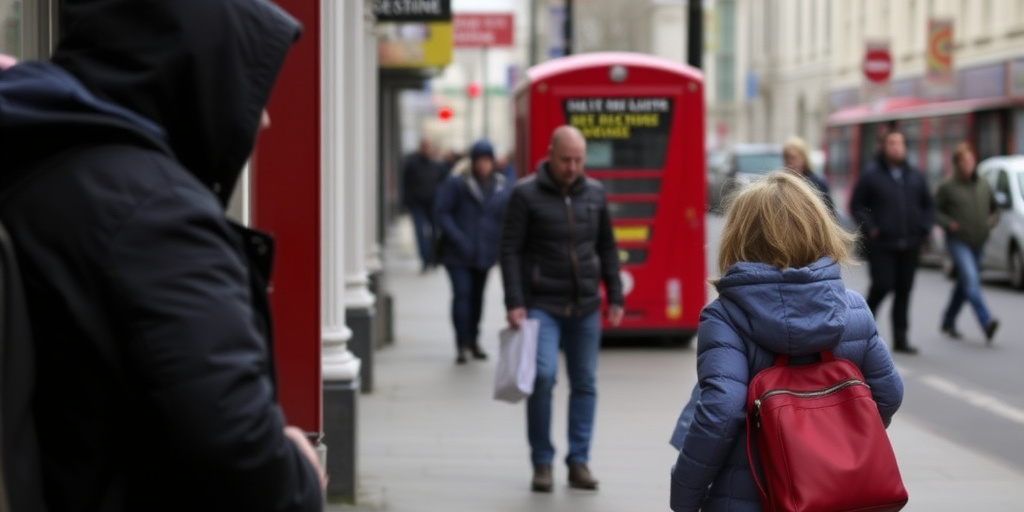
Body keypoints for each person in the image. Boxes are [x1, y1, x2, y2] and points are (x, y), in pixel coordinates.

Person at [0, 1, 325, 511]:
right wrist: (300, 474)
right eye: (251, 88)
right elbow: (235, 449)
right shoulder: (155, 215)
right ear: (197, 75)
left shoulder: (37, 154)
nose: (262, 120)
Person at [669, 171, 904, 512]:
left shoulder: (726, 317)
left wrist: (684, 498)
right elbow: (890, 394)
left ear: (740, 237)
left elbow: (720, 412)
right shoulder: (853, 309)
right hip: (833, 497)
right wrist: (831, 442)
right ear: (819, 227)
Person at [500, 125, 624, 493]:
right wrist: (514, 302)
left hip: (585, 304)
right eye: (565, 159)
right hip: (542, 304)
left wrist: (615, 295)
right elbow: (509, 250)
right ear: (550, 155)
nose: (572, 167)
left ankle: (578, 461)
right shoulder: (525, 194)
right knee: (542, 376)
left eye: (578, 160)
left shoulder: (595, 193)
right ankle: (542, 461)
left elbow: (606, 247)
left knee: (585, 382)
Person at [849, 129, 935, 354]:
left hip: (910, 243)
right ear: (884, 147)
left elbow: (928, 205)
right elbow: (857, 205)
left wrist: (924, 228)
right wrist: (872, 229)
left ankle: (901, 338)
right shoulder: (871, 174)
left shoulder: (915, 175)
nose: (897, 147)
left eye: (900, 143)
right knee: (883, 285)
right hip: (883, 244)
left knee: (904, 290)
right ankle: (862, 327)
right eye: (892, 143)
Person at [434, 139, 510, 364]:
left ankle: (474, 340)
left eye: (488, 160)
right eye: (480, 160)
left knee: (477, 298)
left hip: (485, 253)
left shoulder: (501, 186)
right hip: (457, 254)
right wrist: (457, 237)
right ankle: (462, 343)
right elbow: (441, 213)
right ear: (473, 161)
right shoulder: (456, 183)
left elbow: (505, 218)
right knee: (462, 295)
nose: (484, 165)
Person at [935, 142, 1000, 344]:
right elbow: (935, 211)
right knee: (971, 278)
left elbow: (995, 209)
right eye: (963, 161)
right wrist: (949, 224)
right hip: (958, 240)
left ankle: (948, 320)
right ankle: (986, 321)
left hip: (979, 240)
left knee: (964, 283)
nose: (968, 164)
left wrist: (991, 221)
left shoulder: (983, 184)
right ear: (957, 164)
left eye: (971, 160)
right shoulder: (947, 186)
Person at [402, 137, 447, 272]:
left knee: (434, 232)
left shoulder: (437, 165)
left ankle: (433, 257)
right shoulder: (412, 164)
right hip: (417, 203)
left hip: (433, 203)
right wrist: (407, 201)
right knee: (420, 232)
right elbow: (406, 184)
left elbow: (444, 183)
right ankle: (425, 259)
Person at [783, 136, 836, 218]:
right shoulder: (781, 182)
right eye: (786, 157)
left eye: (793, 158)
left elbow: (830, 213)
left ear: (803, 158)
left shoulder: (817, 182)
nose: (789, 162)